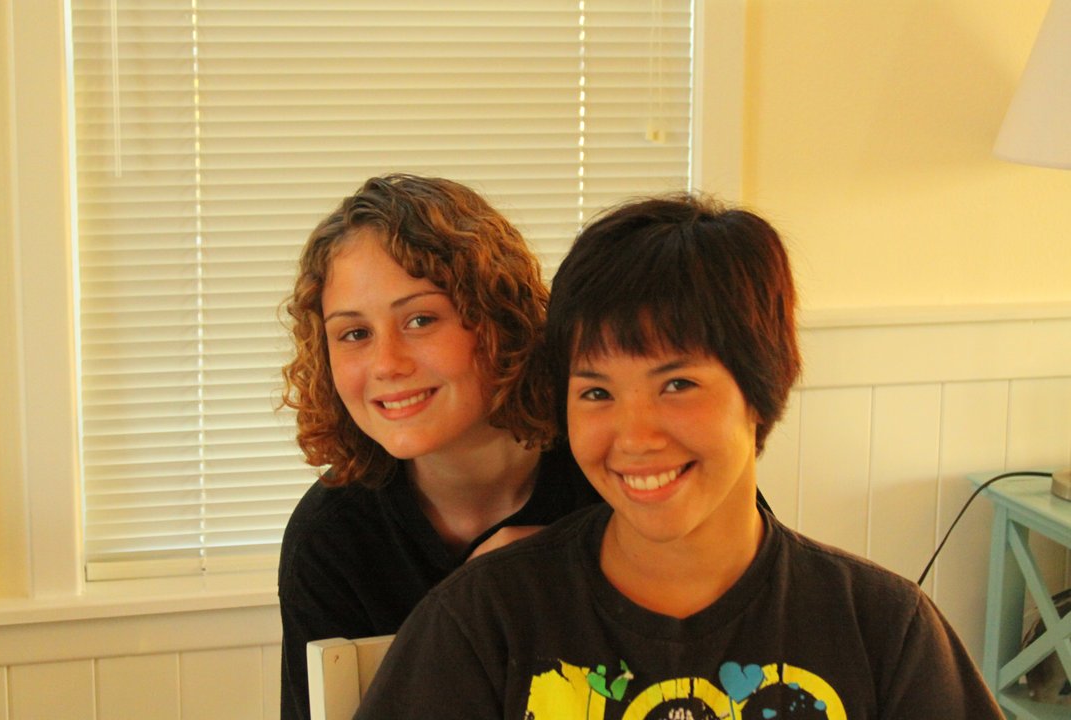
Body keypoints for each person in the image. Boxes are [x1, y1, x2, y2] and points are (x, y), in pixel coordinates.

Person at [355, 193, 1003, 719]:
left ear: (760, 389)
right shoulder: (485, 621)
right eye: (597, 393)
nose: (635, 437)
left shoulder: (881, 629)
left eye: (677, 385)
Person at [277, 174, 602, 719]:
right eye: (355, 334)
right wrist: (475, 595)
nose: (387, 364)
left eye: (421, 320)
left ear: (499, 321)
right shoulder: (330, 539)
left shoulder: (615, 471)